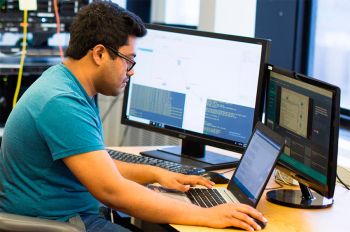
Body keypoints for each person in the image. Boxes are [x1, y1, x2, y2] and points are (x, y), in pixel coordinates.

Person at [0, 1, 267, 231]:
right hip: (60, 224)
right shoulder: (62, 102)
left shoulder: (66, 83)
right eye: (129, 60)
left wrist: (156, 173)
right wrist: (207, 215)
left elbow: (98, 166)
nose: (132, 71)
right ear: (100, 54)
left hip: (68, 214)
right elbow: (112, 191)